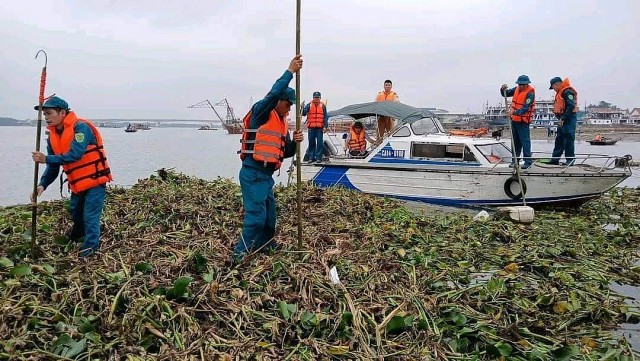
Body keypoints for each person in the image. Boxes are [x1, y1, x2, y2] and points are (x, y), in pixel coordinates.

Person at [234, 55, 304, 262]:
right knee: (256, 218)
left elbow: (285, 152)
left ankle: (267, 245)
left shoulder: (282, 122)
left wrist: (295, 142)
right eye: (288, 104)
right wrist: (290, 71)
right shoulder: (262, 111)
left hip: (266, 176)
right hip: (252, 172)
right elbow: (273, 92)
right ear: (279, 101)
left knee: (270, 218)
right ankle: (239, 254)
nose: (289, 109)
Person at [30, 96, 112, 257]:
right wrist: (42, 185)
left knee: (90, 215)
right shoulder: (52, 137)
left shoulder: (81, 128)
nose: (46, 117)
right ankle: (78, 238)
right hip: (78, 184)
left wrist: (46, 158)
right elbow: (53, 166)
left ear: (62, 112)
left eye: (49, 113)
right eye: (44, 114)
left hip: (95, 181)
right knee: (76, 213)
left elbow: (76, 154)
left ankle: (89, 250)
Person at [500, 75, 535, 169]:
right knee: (515, 142)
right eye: (520, 84)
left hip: (523, 121)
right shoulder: (516, 89)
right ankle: (515, 161)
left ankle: (528, 161)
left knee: (525, 141)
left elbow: (525, 108)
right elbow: (505, 94)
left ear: (527, 84)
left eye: (523, 84)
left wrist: (514, 112)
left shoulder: (530, 94)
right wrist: (502, 89)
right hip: (514, 120)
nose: (522, 86)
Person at [549, 76, 578, 165]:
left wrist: (563, 118)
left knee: (568, 139)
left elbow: (571, 106)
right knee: (559, 139)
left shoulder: (567, 91)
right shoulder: (560, 93)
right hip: (561, 119)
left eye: (553, 87)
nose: (553, 89)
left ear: (557, 84)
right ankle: (555, 159)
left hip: (569, 118)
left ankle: (570, 160)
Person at [302, 91, 328, 163]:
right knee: (311, 143)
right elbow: (303, 113)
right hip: (311, 128)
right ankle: (311, 158)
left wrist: (325, 126)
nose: (316, 99)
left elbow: (325, 116)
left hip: (320, 128)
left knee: (319, 143)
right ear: (313, 98)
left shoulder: (323, 106)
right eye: (315, 97)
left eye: (318, 97)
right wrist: (301, 108)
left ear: (320, 98)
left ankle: (318, 158)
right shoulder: (309, 105)